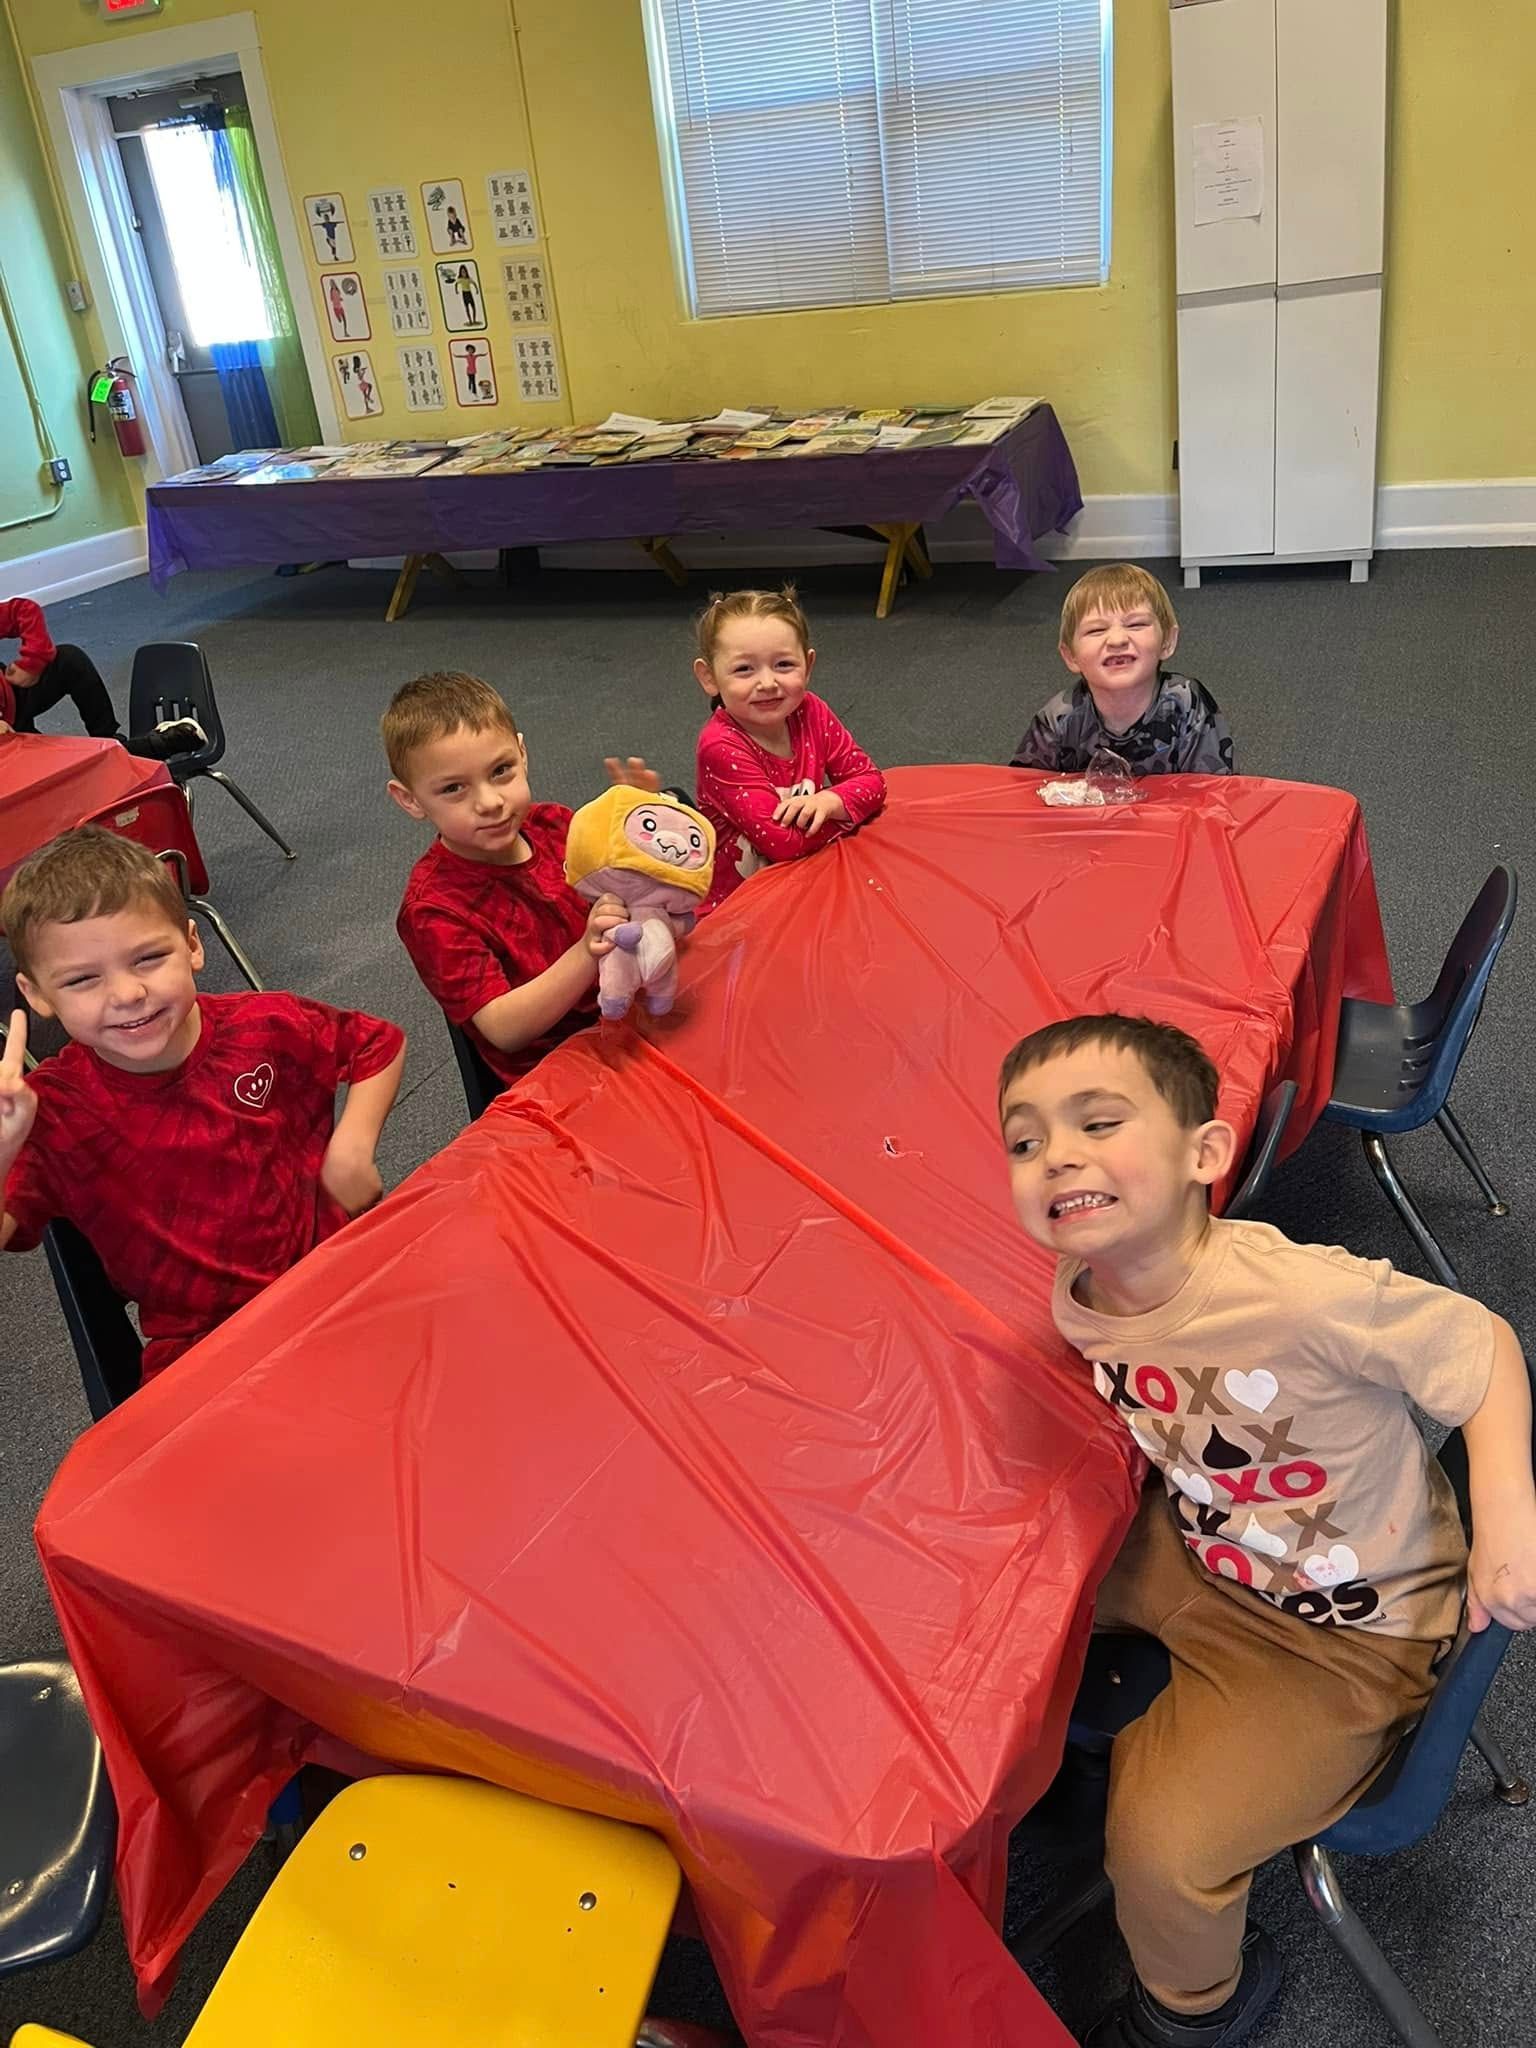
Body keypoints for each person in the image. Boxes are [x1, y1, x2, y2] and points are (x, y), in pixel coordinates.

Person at [996, 1012, 1536, 2048]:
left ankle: (1196, 2010)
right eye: (1024, 1140)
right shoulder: (1083, 1289)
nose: (1055, 1152)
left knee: (1158, 1850)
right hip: (1213, 1547)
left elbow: (1483, 1338)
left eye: (1097, 1122)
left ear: (1204, 1154)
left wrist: (1505, 1506)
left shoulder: (1295, 1293)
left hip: (1344, 1634)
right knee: (1009, 1592)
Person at [0, 827, 406, 1387]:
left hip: (339, 1277)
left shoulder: (264, 1025)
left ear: (193, 945)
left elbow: (375, 1045)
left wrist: (353, 1146)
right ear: (39, 995)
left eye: (147, 958)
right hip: (207, 1349)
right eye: (83, 979)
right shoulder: (52, 1109)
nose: (125, 994)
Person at [385, 669, 636, 1089]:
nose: (490, 802)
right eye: (453, 789)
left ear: (522, 754)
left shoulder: (556, 825)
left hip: (632, 1018)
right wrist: (586, 952)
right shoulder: (433, 909)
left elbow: (637, 890)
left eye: (501, 770)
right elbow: (503, 1028)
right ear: (410, 800)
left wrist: (641, 823)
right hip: (558, 1075)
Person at [692, 586, 886, 912]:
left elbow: (872, 780)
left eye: (783, 664)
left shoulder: (810, 710)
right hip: (740, 904)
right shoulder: (720, 746)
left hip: (810, 872)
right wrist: (850, 811)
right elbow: (783, 844)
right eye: (744, 669)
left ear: (807, 666)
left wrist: (832, 799)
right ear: (709, 677)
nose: (767, 683)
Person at [1012, 564, 1234, 776]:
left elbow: (1215, 796)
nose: (1117, 640)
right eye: (1096, 630)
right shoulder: (1059, 719)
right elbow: (1021, 797)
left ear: (1167, 641)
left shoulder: (1187, 706)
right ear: (1071, 656)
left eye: (1136, 625)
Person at [0, 596, 121, 740]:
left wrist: (32, 662)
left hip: (9, 698)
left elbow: (24, 610)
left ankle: (109, 740)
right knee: (49, 757)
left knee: (69, 660)